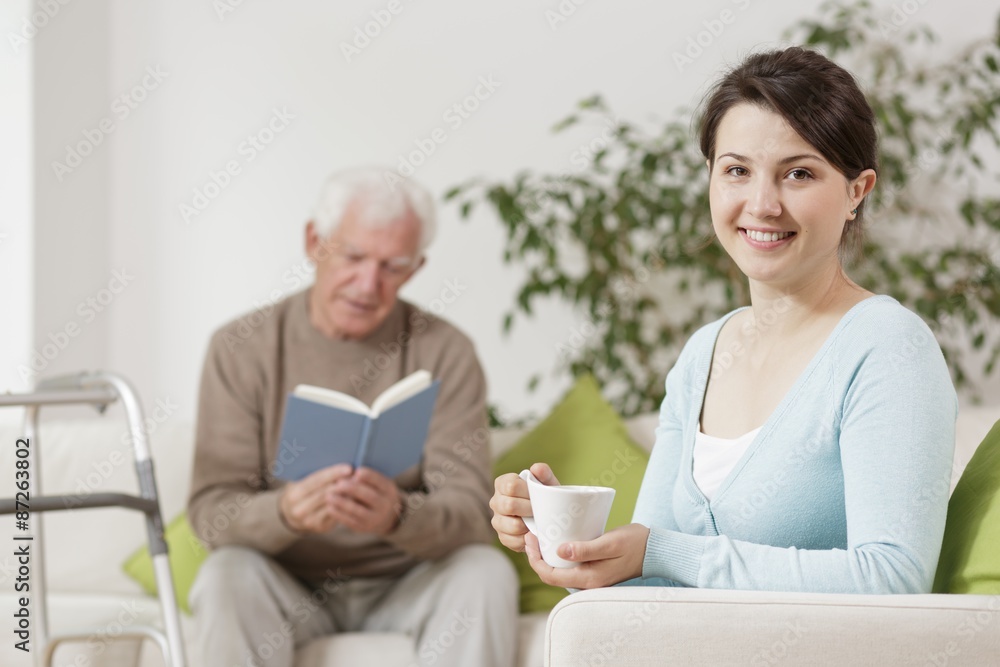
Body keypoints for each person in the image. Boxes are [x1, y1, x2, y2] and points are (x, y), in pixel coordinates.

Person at [490, 47, 957, 595]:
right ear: (711, 177)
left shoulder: (887, 347)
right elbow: (659, 583)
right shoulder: (704, 353)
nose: (762, 204)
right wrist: (570, 544)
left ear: (858, 191)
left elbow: (892, 580)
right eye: (737, 170)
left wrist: (656, 552)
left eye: (798, 174)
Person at [187, 167, 518, 667]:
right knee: (224, 575)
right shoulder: (241, 348)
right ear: (313, 242)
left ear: (416, 268)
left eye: (393, 266)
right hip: (285, 585)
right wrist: (286, 513)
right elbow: (212, 511)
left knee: (485, 572)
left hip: (408, 581)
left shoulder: (447, 351)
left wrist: (397, 515)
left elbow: (471, 514)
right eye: (354, 256)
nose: (368, 284)